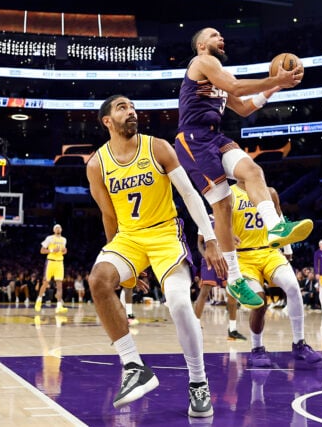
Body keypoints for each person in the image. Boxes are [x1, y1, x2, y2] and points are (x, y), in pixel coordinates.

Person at [87, 95, 227, 416]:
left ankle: (198, 382)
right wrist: (122, 269)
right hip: (128, 239)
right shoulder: (97, 164)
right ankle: (134, 367)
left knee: (179, 303)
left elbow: (190, 195)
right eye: (122, 108)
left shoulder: (158, 147)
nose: (131, 111)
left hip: (165, 233)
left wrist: (209, 237)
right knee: (98, 279)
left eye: (133, 106)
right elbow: (109, 217)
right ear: (107, 121)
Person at [174, 27, 310, 309]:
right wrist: (276, 77)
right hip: (193, 139)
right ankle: (234, 277)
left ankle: (275, 228)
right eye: (214, 35)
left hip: (215, 136)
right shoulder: (203, 63)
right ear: (201, 45)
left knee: (253, 172)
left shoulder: (219, 74)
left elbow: (244, 108)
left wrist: (275, 87)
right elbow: (235, 87)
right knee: (223, 206)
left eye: (221, 35)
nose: (220, 38)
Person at [229, 181, 321, 367]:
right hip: (243, 256)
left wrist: (286, 247)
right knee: (259, 302)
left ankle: (299, 344)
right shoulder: (229, 194)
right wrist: (227, 235)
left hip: (269, 252)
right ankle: (257, 348)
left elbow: (279, 220)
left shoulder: (269, 192)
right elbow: (221, 222)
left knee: (293, 286)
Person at [193, 223, 245, 340]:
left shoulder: (230, 218)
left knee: (232, 293)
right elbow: (200, 242)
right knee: (204, 291)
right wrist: (205, 255)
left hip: (227, 260)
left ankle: (232, 329)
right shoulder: (206, 219)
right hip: (210, 260)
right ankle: (195, 324)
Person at [35, 224, 68, 313]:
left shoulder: (64, 239)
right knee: (45, 283)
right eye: (56, 228)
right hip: (50, 262)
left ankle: (59, 306)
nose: (58, 229)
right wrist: (52, 250)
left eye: (59, 228)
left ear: (61, 230)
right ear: (54, 230)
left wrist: (64, 251)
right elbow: (42, 250)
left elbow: (64, 250)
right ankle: (39, 300)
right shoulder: (49, 238)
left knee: (59, 285)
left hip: (60, 263)